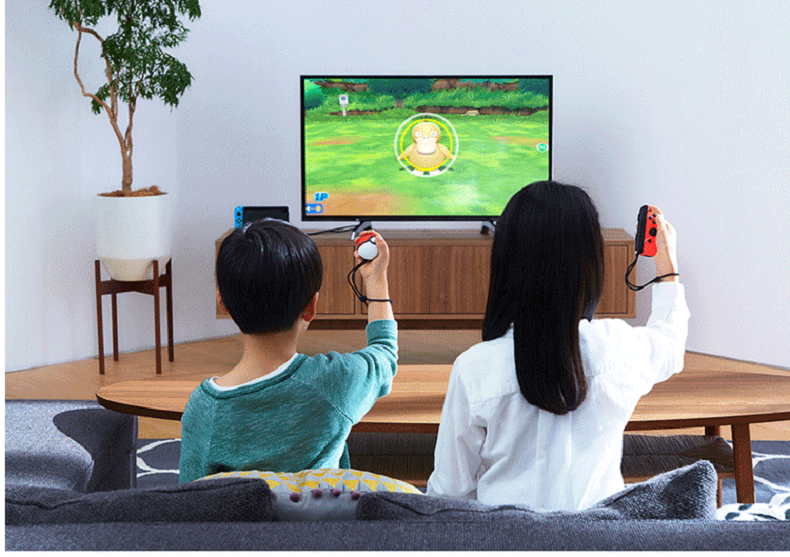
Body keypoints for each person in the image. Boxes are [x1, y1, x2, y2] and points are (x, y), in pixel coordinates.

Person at [426, 181, 690, 511]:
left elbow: (448, 494)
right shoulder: (619, 347)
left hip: (506, 535)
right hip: (600, 535)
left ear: (506, 260)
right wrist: (667, 266)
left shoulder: (475, 367)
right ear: (590, 262)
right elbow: (670, 343)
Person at [179, 219, 396, 483]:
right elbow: (385, 351)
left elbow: (191, 497)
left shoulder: (203, 409)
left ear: (222, 302)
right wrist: (376, 278)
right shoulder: (337, 381)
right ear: (311, 307)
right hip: (322, 511)